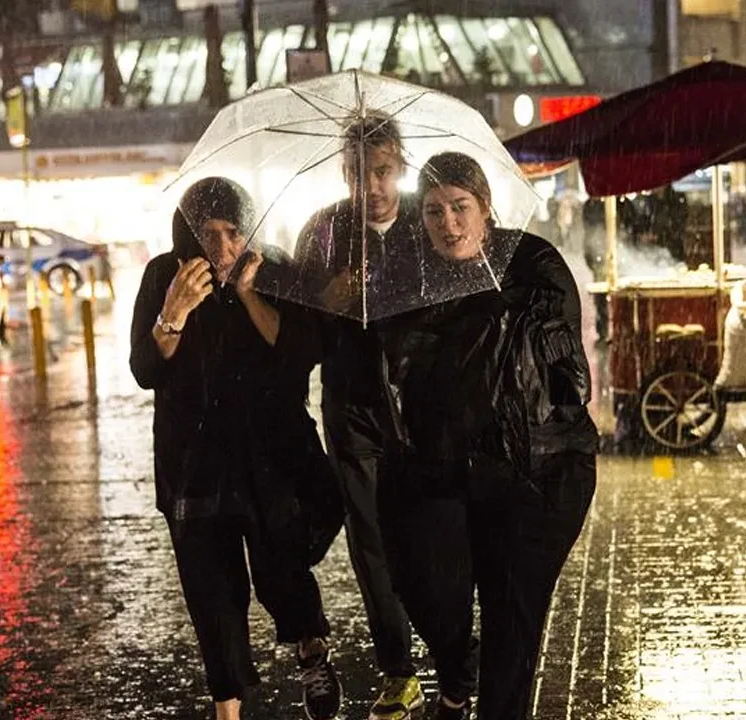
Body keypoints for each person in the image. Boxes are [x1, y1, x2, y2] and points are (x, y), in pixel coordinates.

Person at [377, 152, 598, 720]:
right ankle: (456, 670)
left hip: (538, 474)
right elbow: (397, 364)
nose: (448, 225)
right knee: (432, 597)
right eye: (432, 212)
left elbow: (557, 369)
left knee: (511, 621)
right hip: (445, 473)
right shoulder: (409, 276)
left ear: (484, 206)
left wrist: (483, 313)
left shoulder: (529, 261)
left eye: (460, 207)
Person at [130, 178, 344, 720]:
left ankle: (310, 647)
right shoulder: (164, 276)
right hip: (194, 468)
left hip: (269, 460)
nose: (222, 248)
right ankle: (228, 708)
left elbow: (301, 353)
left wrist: (249, 294)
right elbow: (145, 369)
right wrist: (172, 314)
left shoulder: (273, 272)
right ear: (189, 236)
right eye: (209, 234)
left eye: (233, 232)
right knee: (212, 595)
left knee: (283, 571)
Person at [293, 111, 428, 720]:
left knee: (433, 536)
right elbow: (299, 333)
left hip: (422, 408)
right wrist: (330, 303)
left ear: (399, 166)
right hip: (351, 409)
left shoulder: (428, 223)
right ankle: (399, 670)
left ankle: (452, 643)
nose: (371, 186)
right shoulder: (323, 232)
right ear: (343, 171)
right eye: (358, 172)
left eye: (381, 171)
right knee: (370, 544)